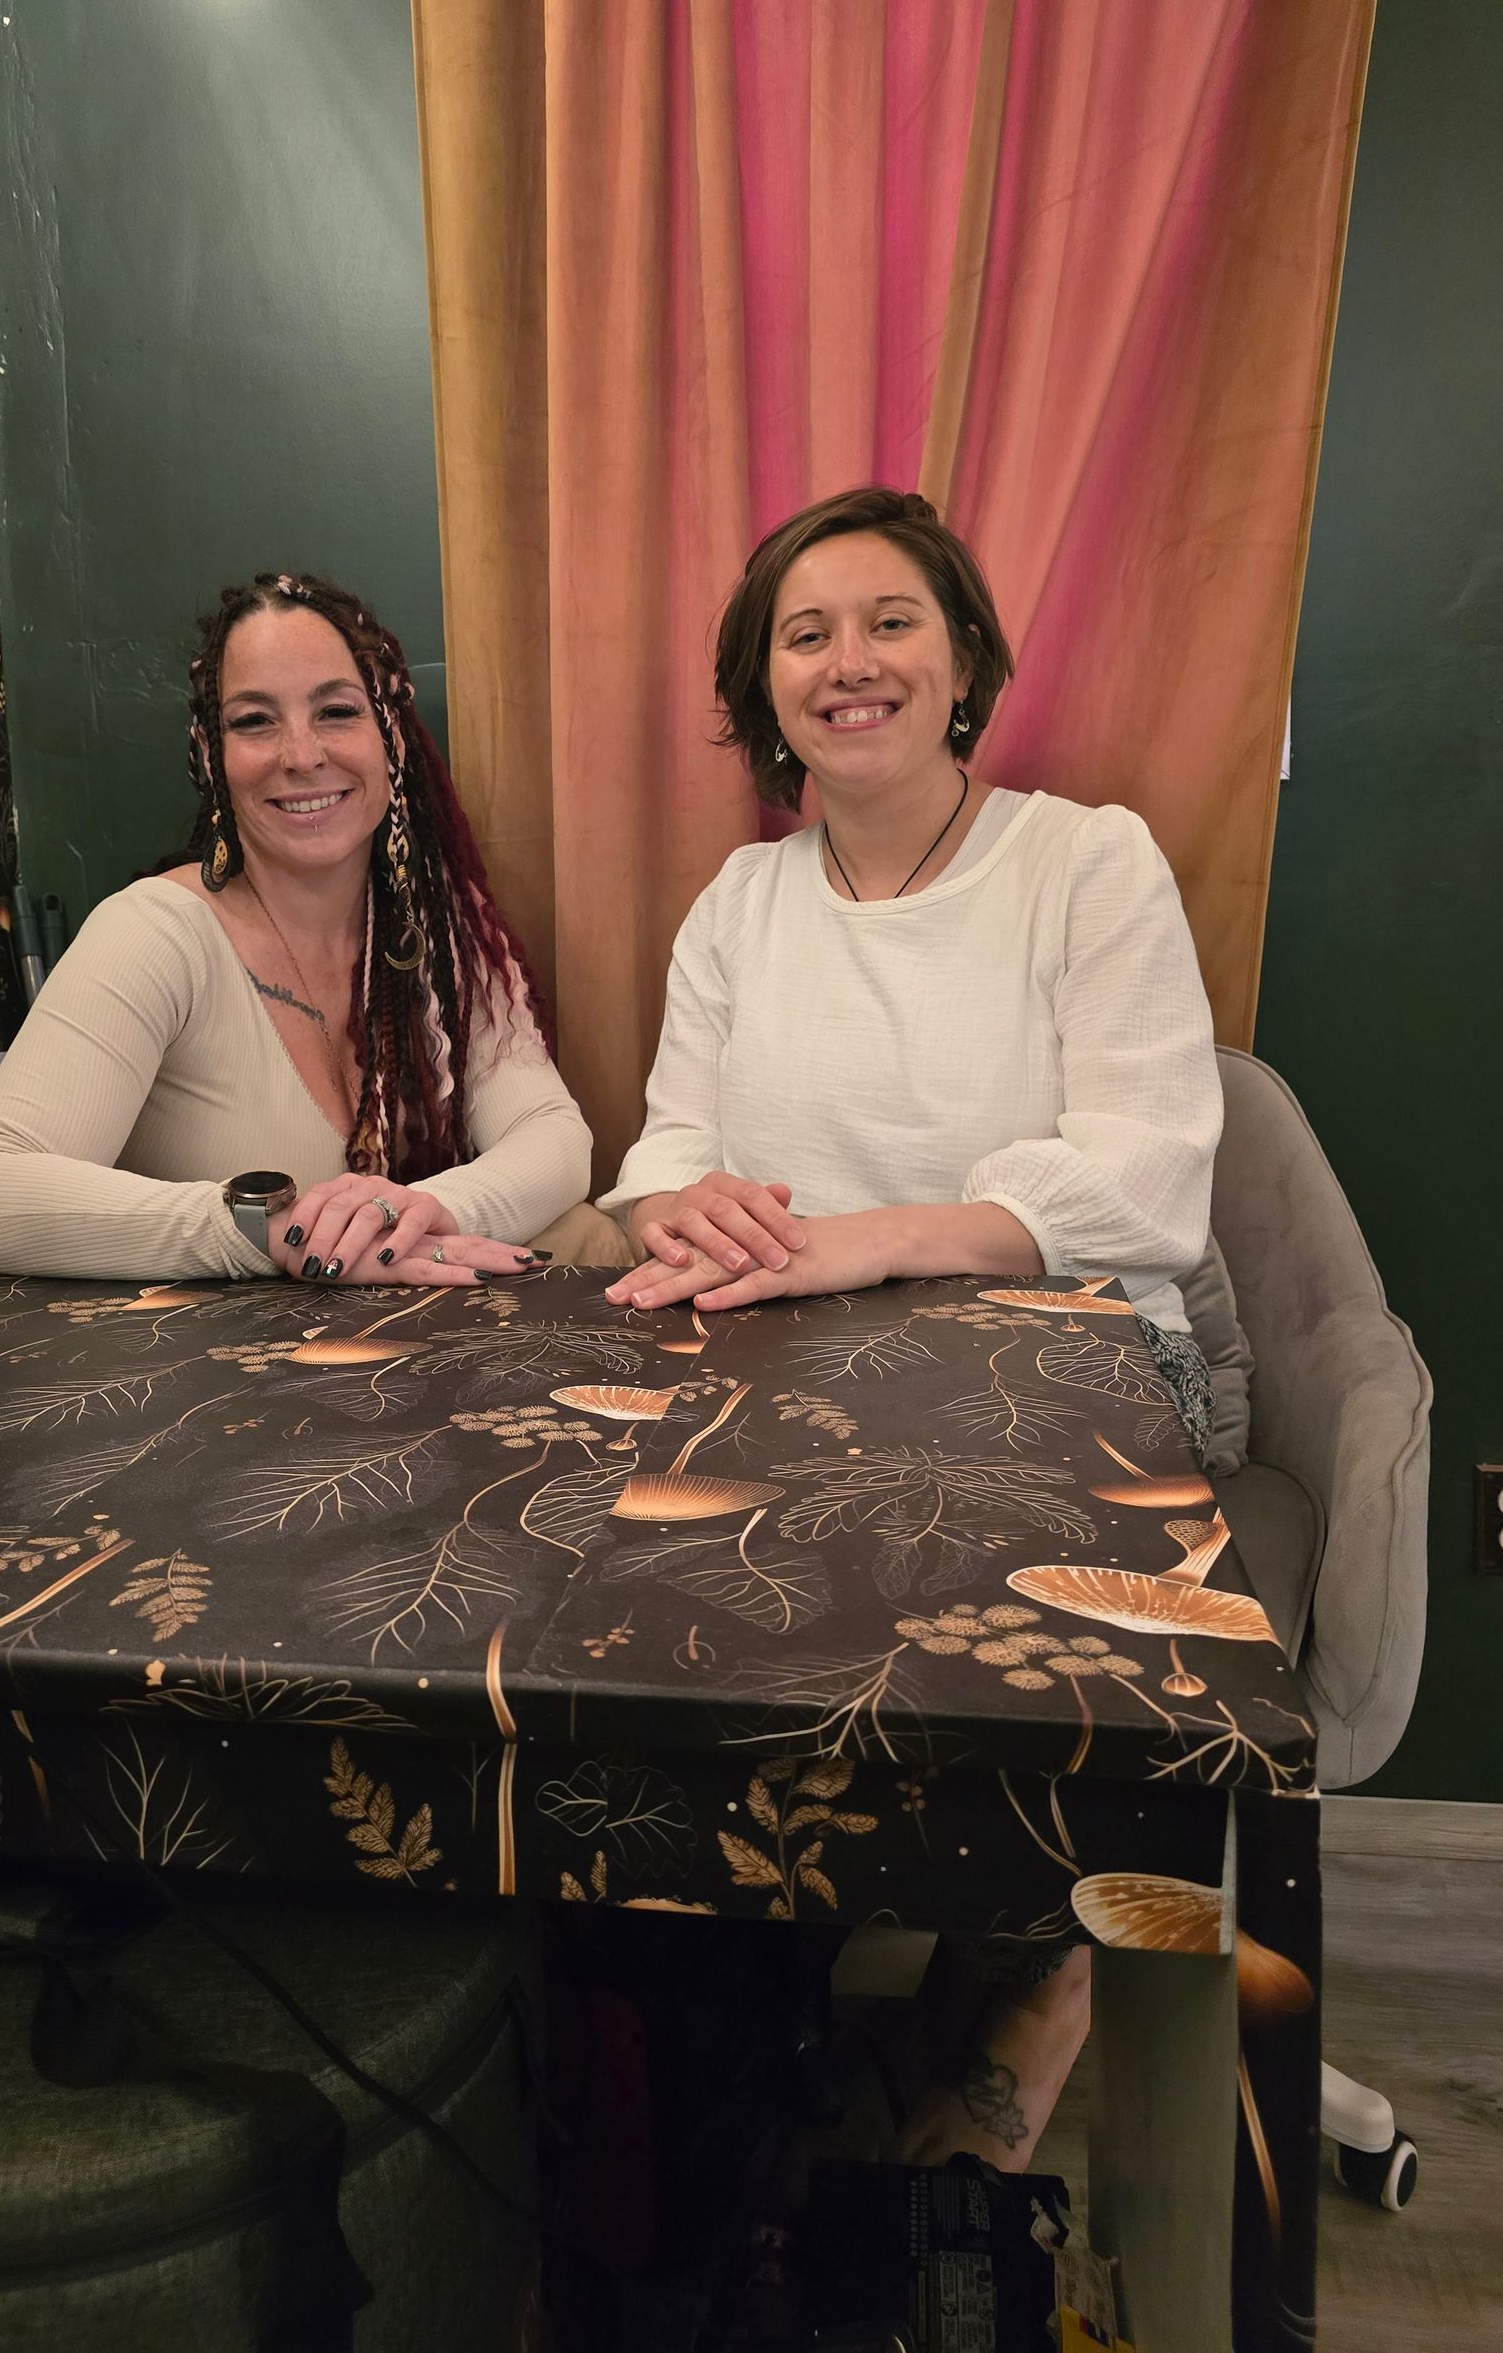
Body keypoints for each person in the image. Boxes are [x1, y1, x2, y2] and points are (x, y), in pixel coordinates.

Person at [598, 486, 1223, 2171]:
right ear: (763, 688)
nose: (847, 661)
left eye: (890, 623)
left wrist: (867, 1244)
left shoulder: (1087, 860)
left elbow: (1149, 1180)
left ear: (964, 664)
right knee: (638, 1575)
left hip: (1075, 1364)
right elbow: (663, 1149)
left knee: (943, 1573)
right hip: (795, 1372)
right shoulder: (742, 901)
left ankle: (1038, 1990)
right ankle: (745, 2014)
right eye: (806, 634)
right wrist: (684, 1210)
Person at [0, 571, 593, 1284]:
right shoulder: (154, 933)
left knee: (585, 1231)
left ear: (393, 741)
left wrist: (412, 1215)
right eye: (254, 721)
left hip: (392, 1374)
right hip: (200, 1381)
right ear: (213, 758)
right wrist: (271, 1234)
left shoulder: (441, 929)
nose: (301, 755)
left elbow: (554, 1136)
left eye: (337, 711)